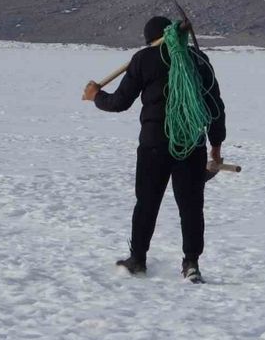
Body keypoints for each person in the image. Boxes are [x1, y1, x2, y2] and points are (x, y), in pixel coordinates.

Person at [82, 16, 226, 282]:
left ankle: (137, 260)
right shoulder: (198, 60)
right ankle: (191, 264)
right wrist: (216, 148)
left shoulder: (144, 59)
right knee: (191, 207)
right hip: (192, 144)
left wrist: (96, 96)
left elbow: (119, 102)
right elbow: (215, 107)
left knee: (146, 203)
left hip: (154, 145)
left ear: (150, 39)